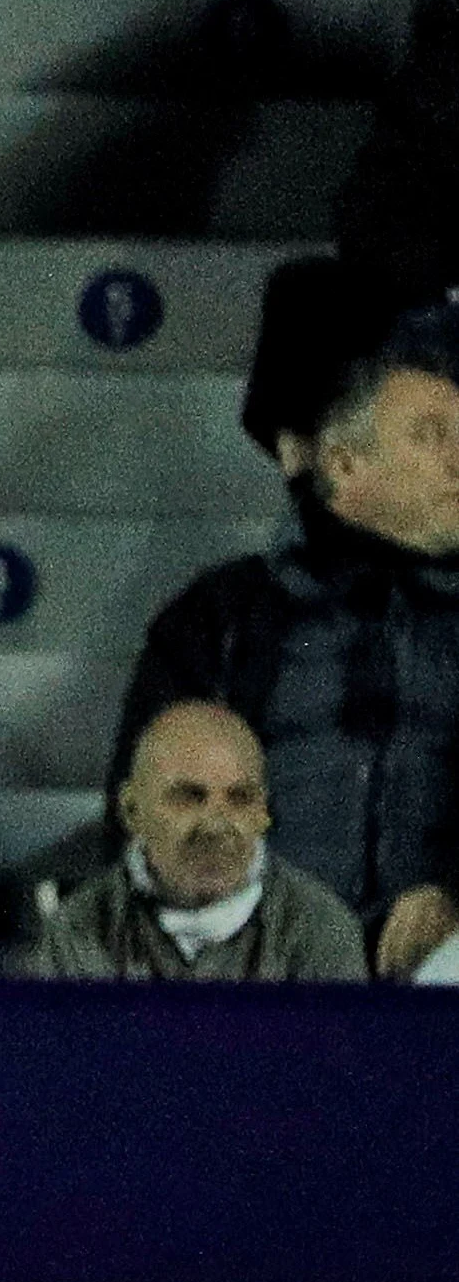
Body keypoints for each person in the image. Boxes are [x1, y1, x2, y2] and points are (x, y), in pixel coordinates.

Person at [120, 327, 459, 980]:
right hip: (257, 957)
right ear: (345, 464)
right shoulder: (223, 614)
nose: (458, 460)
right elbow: (143, 802)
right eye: (428, 435)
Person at [37, 702, 368, 983]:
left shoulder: (323, 932)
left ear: (264, 813)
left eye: (240, 798)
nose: (214, 825)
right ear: (132, 810)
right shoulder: (77, 931)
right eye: (188, 797)